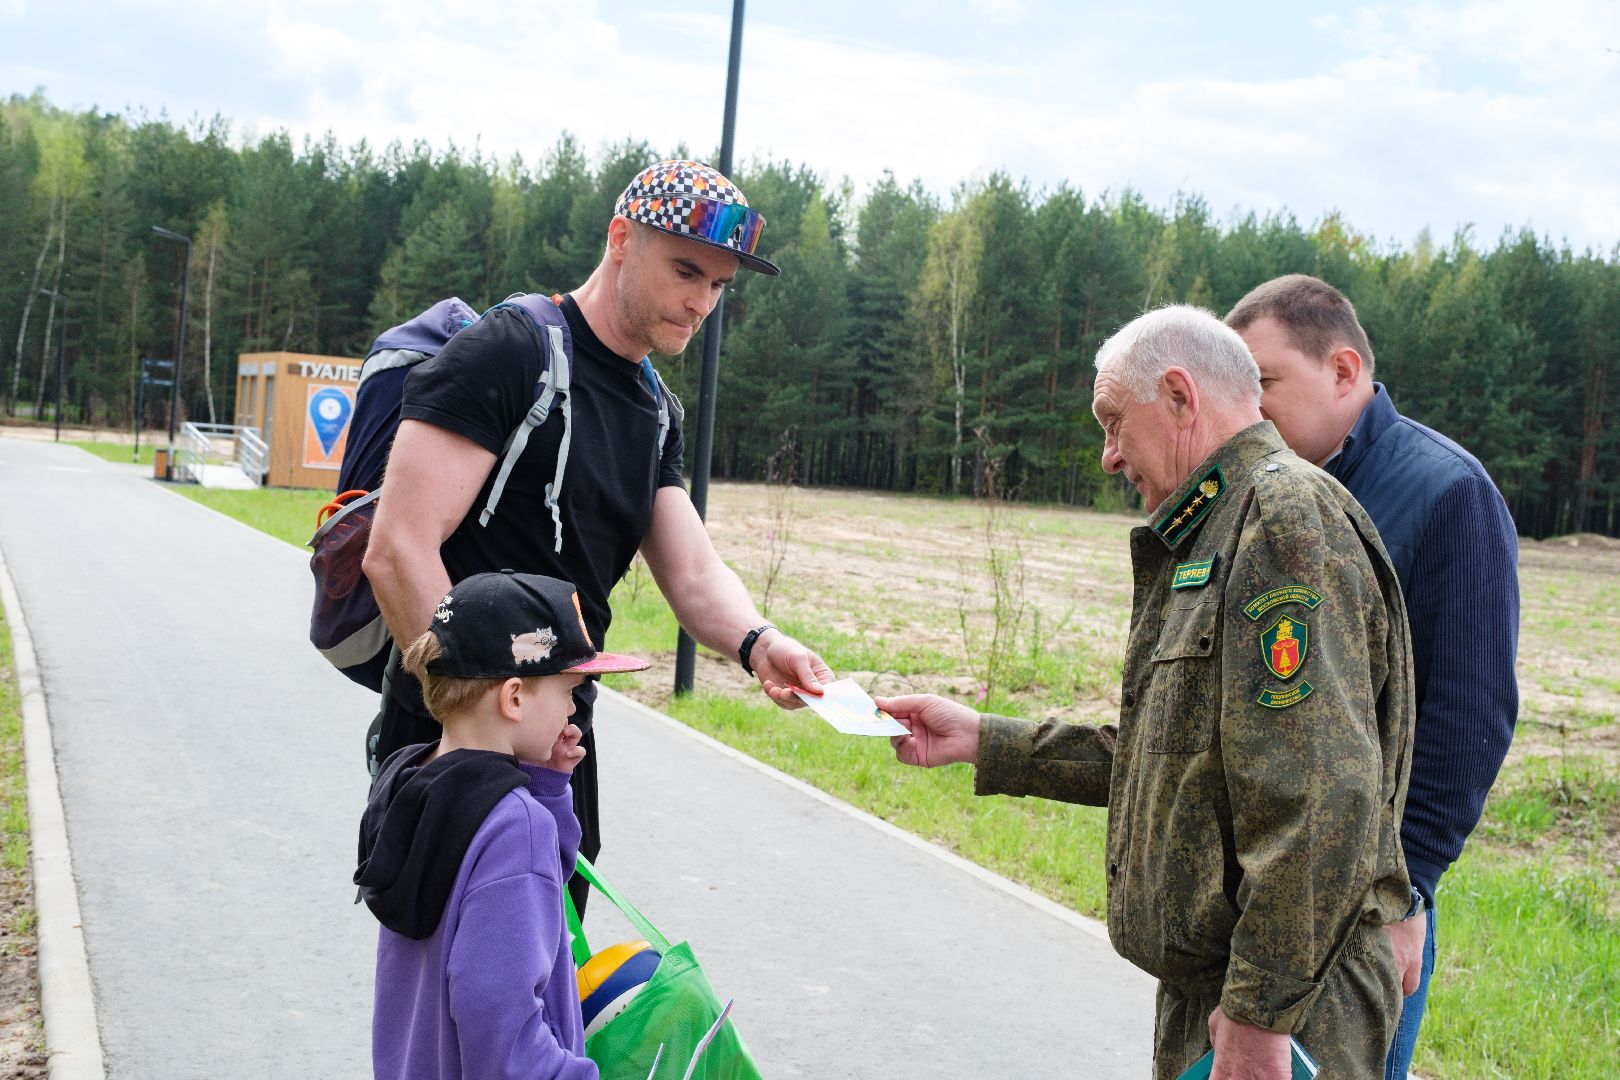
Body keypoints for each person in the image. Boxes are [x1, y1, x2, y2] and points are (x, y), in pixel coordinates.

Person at [883, 305, 1416, 1080]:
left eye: (1111, 422)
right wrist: (982, 740)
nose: (1106, 456)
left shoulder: (1279, 520)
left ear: (1178, 394)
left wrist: (1261, 1014)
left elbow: (1321, 798)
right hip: (1229, 990)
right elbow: (1179, 764)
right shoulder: (1214, 527)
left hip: (1293, 1006)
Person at [362, 160, 834, 912]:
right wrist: (487, 717)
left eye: (719, 285)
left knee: (541, 992)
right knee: (462, 1004)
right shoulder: (510, 352)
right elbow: (397, 550)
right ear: (621, 239)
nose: (702, 302)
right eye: (686, 271)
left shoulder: (654, 411)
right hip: (454, 745)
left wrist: (759, 643)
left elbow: (693, 574)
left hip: (559, 744)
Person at [1226, 274, 1519, 1078]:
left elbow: (1468, 720)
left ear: (1345, 371)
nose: (1249, 410)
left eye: (1265, 383)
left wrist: (1410, 892)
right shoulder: (1267, 492)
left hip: (1366, 907)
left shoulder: (1448, 493)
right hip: (1264, 898)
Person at [356, 570, 651, 1080]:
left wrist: (547, 783)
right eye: (568, 691)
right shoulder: (517, 828)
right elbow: (500, 1024)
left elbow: (531, 896)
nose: (572, 710)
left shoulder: (409, 779)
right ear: (514, 697)